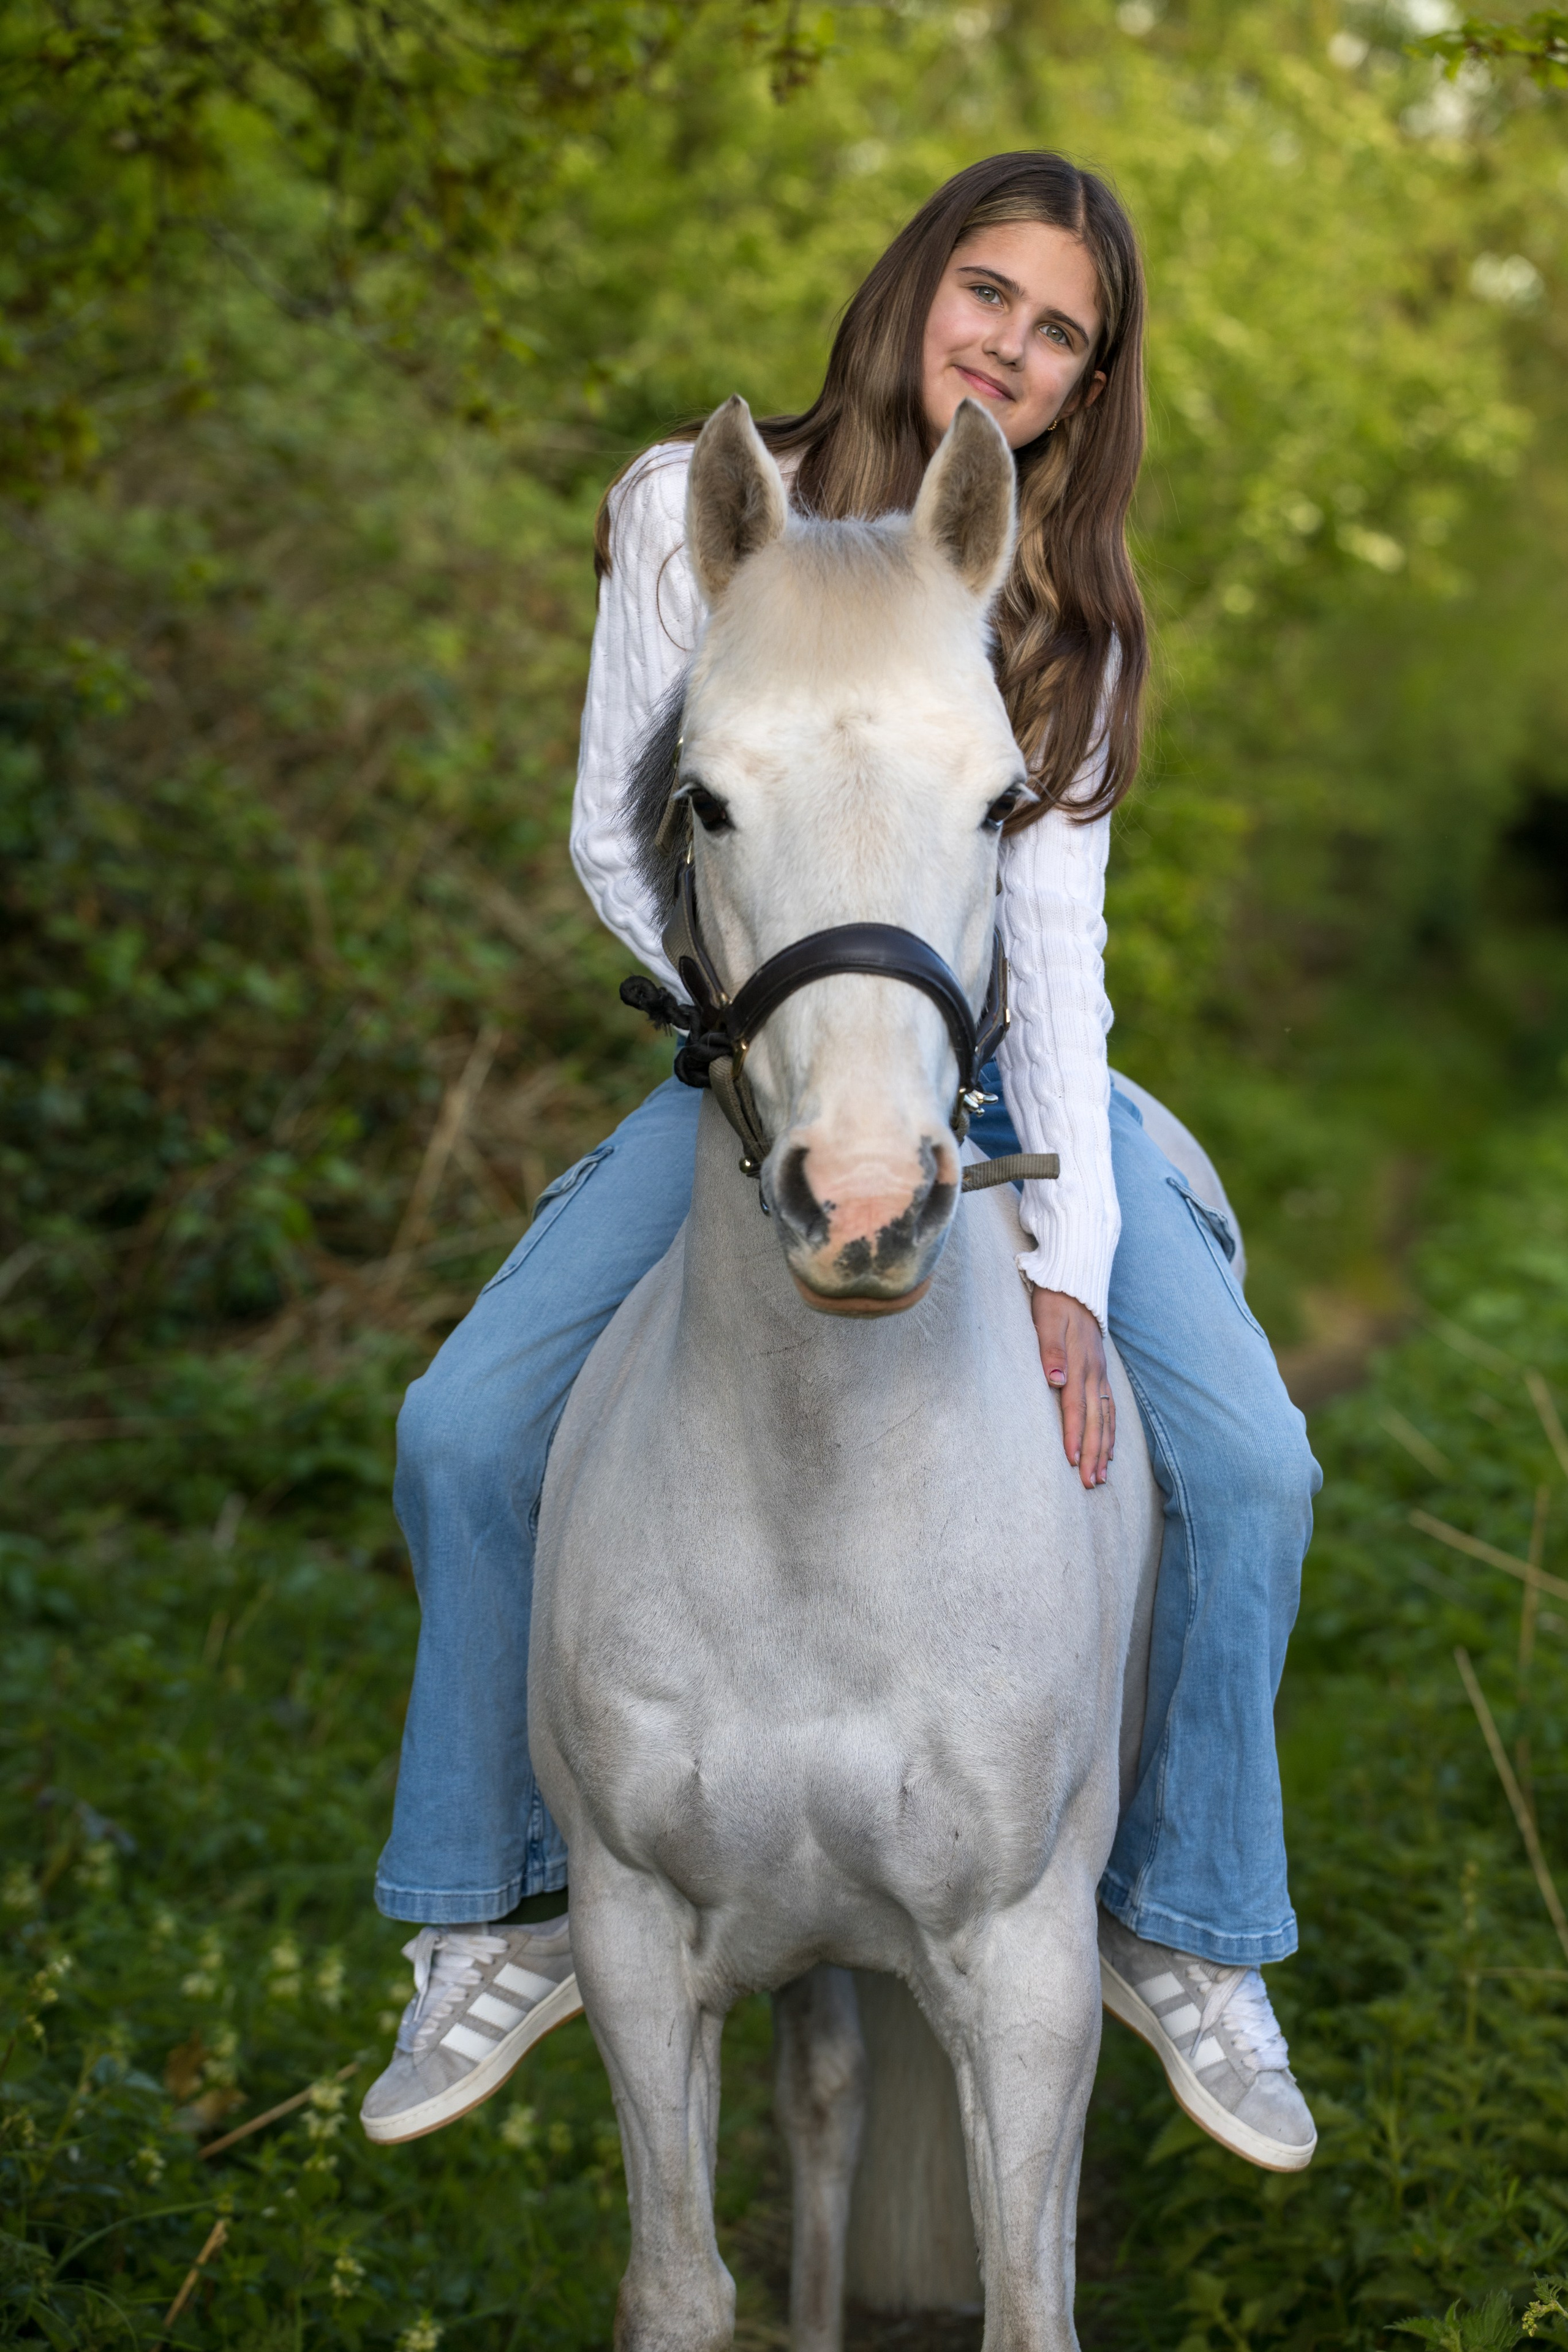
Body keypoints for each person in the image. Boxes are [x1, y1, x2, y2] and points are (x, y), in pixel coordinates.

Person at [360, 151, 1322, 2176]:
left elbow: (1054, 950)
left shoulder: (1060, 604)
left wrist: (1062, 1258)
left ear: (1089, 377)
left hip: (1006, 1078)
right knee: (460, 1431)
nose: (1018, 347)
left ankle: (1190, 1926)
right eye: (992, 292)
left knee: (1252, 1466)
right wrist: (791, 1052)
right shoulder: (688, 517)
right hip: (760, 1063)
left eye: (1065, 331)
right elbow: (626, 847)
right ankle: (493, 1912)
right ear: (916, 282)